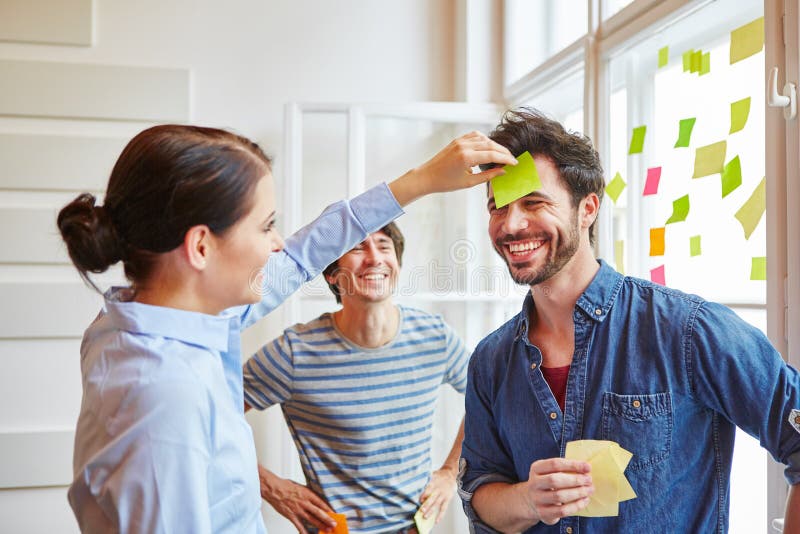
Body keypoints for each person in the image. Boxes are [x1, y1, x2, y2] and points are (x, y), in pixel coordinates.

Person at [57, 124, 515, 533]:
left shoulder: (154, 322)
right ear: (201, 246)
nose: (277, 243)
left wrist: (421, 182)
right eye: (266, 226)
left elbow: (299, 258)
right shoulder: (163, 394)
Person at [456, 108, 800, 533]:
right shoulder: (491, 360)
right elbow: (480, 491)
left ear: (587, 209)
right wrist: (527, 498)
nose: (511, 224)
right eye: (498, 207)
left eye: (534, 202)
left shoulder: (688, 330)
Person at [243, 222, 468, 534]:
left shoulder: (435, 337)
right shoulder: (294, 353)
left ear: (397, 265)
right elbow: (210, 419)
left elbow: (488, 398)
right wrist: (270, 486)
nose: (374, 257)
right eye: (358, 247)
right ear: (333, 274)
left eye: (384, 246)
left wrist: (450, 471)